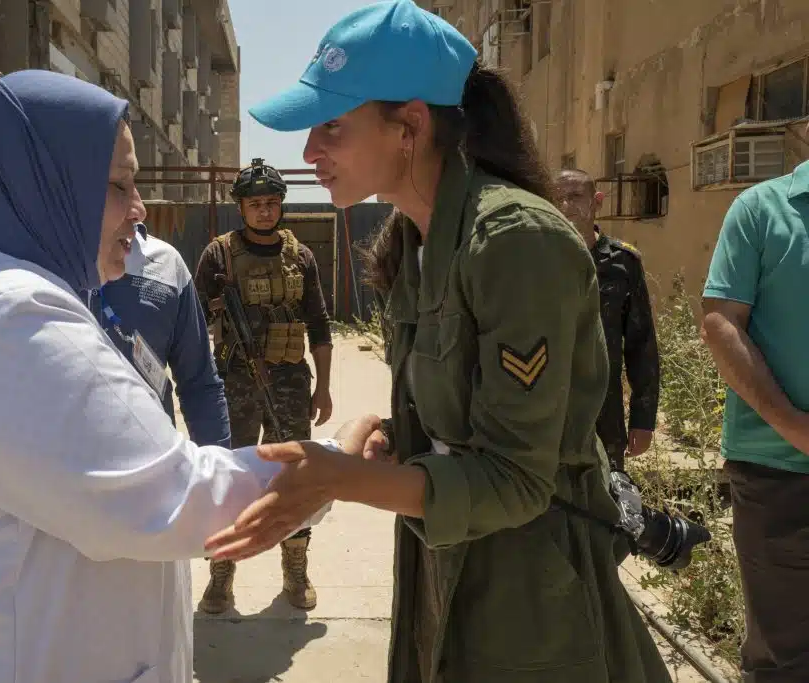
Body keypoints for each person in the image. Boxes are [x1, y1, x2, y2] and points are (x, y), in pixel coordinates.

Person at [0, 70, 358, 683]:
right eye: (118, 186)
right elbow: (179, 498)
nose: (139, 210)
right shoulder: (7, 315)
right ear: (49, 181)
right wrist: (340, 466)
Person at [203, 2, 673, 682]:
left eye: (332, 124)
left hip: (528, 601)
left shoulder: (515, 240)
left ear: (410, 126)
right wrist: (392, 436)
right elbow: (466, 416)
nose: (309, 151)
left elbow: (515, 477)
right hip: (444, 576)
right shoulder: (414, 244)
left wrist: (348, 479)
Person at [192, 157, 334, 613]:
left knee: (294, 477)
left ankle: (295, 567)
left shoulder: (303, 257)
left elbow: (320, 325)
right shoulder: (217, 255)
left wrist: (323, 387)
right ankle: (221, 573)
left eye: (272, 202)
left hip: (291, 382)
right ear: (242, 207)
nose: (265, 211)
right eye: (256, 204)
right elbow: (192, 324)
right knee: (228, 476)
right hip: (235, 382)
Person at [700, 143, 809, 682]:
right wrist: (796, 427)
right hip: (780, 475)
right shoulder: (763, 210)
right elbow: (721, 324)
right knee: (784, 659)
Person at [554, 169, 660, 470]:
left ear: (596, 201)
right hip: (548, 408)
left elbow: (641, 345)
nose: (564, 206)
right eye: (557, 198)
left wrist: (643, 418)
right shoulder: (538, 259)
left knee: (607, 498)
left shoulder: (622, 263)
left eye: (574, 197)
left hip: (605, 412)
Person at [92, 222, 231, 448]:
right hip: (64, 469)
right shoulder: (39, 261)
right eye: (118, 187)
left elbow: (200, 383)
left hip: (151, 461)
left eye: (133, 185)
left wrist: (220, 463)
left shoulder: (167, 263)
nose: (140, 208)